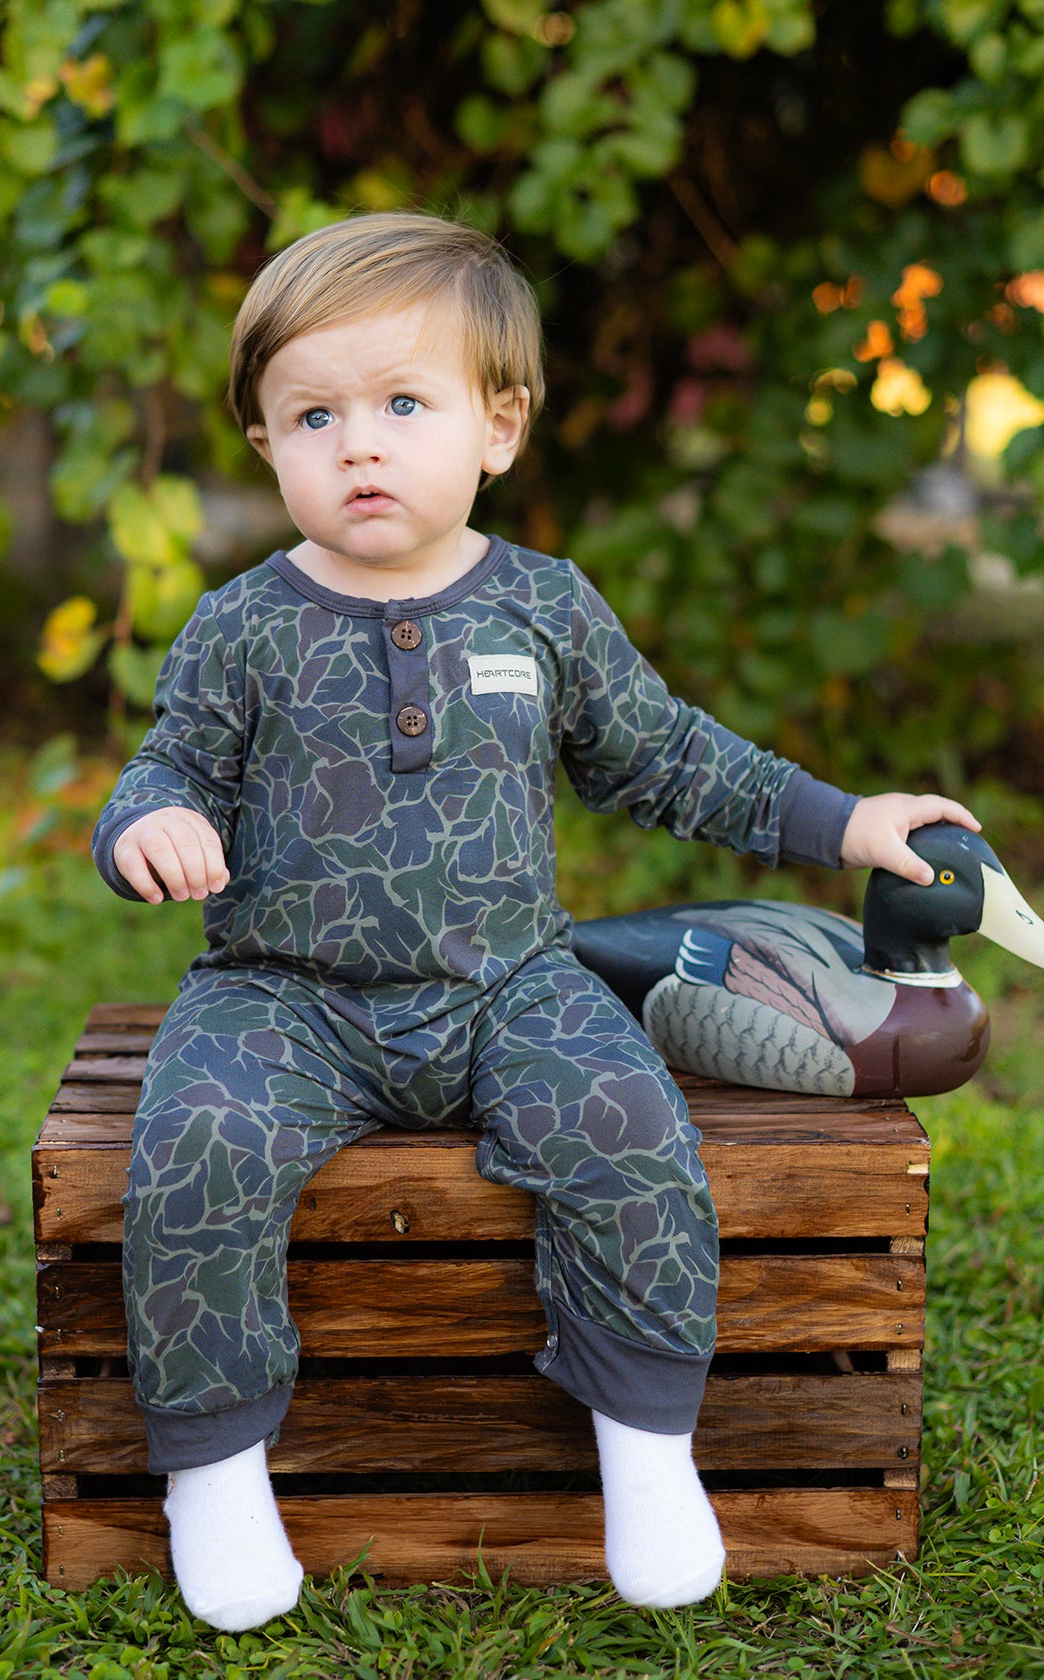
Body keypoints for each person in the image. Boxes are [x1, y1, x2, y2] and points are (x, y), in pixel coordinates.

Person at [92, 211, 977, 1631]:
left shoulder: (541, 607)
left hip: (508, 984)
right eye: (314, 416)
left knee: (626, 1123)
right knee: (198, 1143)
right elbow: (169, 769)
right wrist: (148, 826)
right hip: (283, 993)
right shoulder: (242, 626)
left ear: (497, 428)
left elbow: (670, 759)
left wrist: (844, 820)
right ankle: (216, 1472)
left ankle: (647, 1448)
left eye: (403, 404)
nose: (358, 445)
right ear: (265, 444)